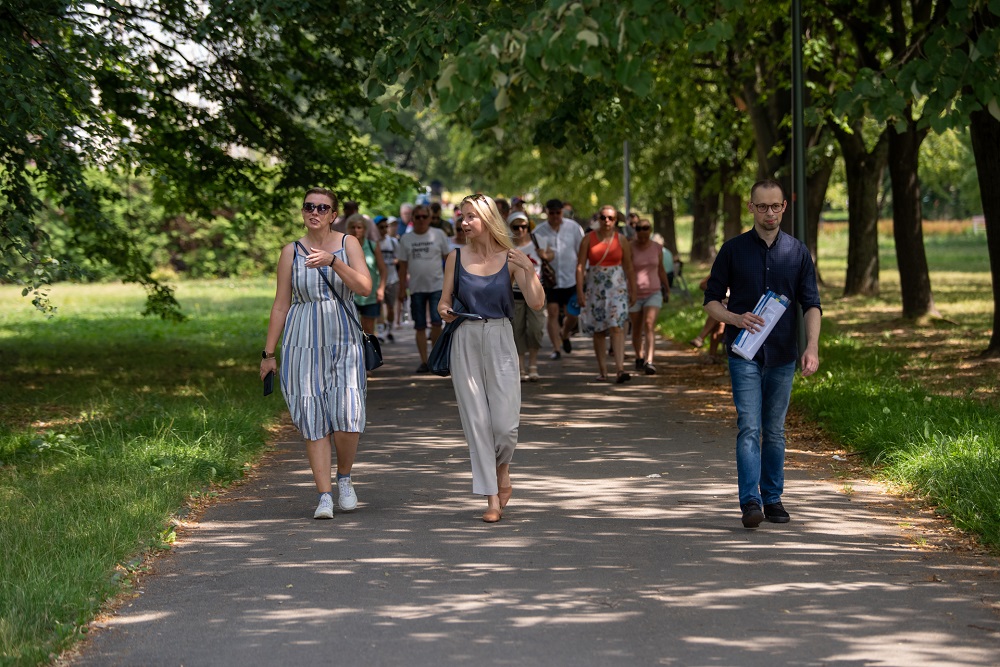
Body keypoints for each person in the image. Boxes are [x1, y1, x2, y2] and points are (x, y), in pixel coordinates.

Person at [703, 178, 821, 529]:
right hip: (744, 355)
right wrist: (735, 317)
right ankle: (750, 501)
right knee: (749, 426)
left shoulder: (798, 252)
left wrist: (812, 347)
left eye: (776, 206)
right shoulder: (733, 250)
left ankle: (773, 497)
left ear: (784, 207)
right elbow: (710, 301)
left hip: (784, 354)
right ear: (751, 207)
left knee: (775, 429)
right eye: (762, 206)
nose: (769, 213)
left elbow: (811, 303)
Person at [259, 188, 372, 519]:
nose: (315, 212)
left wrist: (334, 262)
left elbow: (364, 288)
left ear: (333, 214)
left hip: (344, 337)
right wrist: (268, 353)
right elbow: (281, 304)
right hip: (302, 337)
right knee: (312, 413)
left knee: (348, 412)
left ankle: (345, 478)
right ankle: (324, 495)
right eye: (309, 206)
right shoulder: (290, 252)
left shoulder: (347, 243)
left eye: (323, 208)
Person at [438, 194, 544, 523]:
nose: (464, 222)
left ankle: (503, 471)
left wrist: (528, 269)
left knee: (505, 425)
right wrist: (445, 311)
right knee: (477, 423)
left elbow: (537, 304)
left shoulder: (512, 257)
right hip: (465, 336)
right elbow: (443, 302)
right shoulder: (455, 257)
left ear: (487, 219)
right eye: (462, 217)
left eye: (471, 216)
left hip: (500, 336)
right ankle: (492, 499)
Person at [576, 204, 637, 383]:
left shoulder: (622, 239)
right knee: (599, 330)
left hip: (617, 288)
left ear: (616, 220)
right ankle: (603, 370)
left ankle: (620, 369)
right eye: (603, 217)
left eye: (611, 218)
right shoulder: (588, 239)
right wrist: (580, 290)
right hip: (595, 289)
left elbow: (628, 266)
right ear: (598, 219)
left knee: (617, 327)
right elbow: (580, 266)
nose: (607, 221)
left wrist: (633, 289)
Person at [397, 204, 451, 372]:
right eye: (417, 217)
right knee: (419, 326)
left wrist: (451, 285)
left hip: (437, 286)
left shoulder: (439, 235)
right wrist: (401, 289)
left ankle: (435, 359)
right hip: (416, 288)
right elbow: (403, 267)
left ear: (429, 218)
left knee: (436, 323)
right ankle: (424, 361)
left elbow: (449, 260)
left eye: (424, 217)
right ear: (412, 218)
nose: (421, 220)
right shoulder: (406, 239)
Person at [532, 198, 585, 360]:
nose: (555, 216)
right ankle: (556, 349)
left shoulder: (573, 228)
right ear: (547, 212)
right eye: (552, 213)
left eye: (558, 212)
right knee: (553, 312)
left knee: (573, 314)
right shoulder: (539, 232)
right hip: (551, 280)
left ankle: (565, 332)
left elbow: (581, 252)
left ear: (563, 212)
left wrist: (584, 273)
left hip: (571, 277)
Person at [628, 218, 670, 374]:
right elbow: (627, 269)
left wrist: (666, 287)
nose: (642, 231)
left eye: (645, 228)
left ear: (650, 230)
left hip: (653, 292)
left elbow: (661, 269)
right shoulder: (629, 247)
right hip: (634, 293)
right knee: (637, 328)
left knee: (649, 323)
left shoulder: (657, 248)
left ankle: (649, 360)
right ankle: (639, 357)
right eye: (638, 228)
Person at [508, 210, 546, 381]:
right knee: (517, 330)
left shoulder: (539, 241)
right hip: (515, 294)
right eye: (516, 227)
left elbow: (550, 255)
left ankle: (533, 364)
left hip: (535, 292)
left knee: (536, 329)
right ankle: (521, 367)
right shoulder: (506, 246)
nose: (521, 230)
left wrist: (547, 255)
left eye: (524, 226)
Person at [346, 214, 387, 337]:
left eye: (359, 227)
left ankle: (369, 354)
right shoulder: (343, 247)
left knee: (368, 329)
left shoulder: (372, 246)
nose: (356, 230)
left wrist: (381, 289)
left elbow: (383, 270)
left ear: (364, 229)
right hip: (350, 294)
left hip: (370, 293)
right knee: (350, 329)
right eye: (353, 227)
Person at [376, 216, 401, 342]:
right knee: (379, 306)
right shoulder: (374, 242)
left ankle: (389, 330)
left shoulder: (392, 242)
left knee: (391, 307)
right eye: (381, 227)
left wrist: (390, 261)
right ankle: (380, 333)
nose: (384, 229)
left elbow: (399, 258)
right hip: (378, 279)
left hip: (392, 278)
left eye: (386, 226)